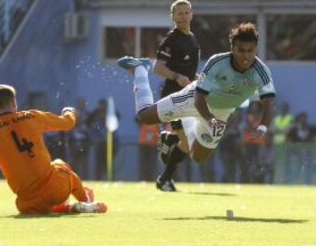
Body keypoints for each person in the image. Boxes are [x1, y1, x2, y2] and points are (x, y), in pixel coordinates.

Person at [117, 22, 276, 191]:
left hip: (221, 113)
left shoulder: (261, 71)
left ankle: (181, 128)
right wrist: (209, 119)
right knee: (145, 116)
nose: (245, 56)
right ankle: (140, 69)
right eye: (241, 50)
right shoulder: (217, 62)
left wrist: (264, 127)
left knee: (198, 157)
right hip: (194, 99)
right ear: (232, 48)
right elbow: (199, 97)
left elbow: (269, 103)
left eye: (250, 51)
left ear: (255, 50)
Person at [0, 84, 107, 215]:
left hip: (27, 203)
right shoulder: (32, 116)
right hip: (56, 189)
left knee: (41, 207)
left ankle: (70, 208)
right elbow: (67, 123)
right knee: (60, 164)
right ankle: (86, 200)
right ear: (14, 103)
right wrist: (69, 111)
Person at [119, 0, 200, 190]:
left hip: (187, 94)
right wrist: (177, 76)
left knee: (188, 144)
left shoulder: (192, 38)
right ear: (172, 17)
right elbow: (158, 67)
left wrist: (197, 79)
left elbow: (187, 71)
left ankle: (165, 171)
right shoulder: (172, 39)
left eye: (185, 12)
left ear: (191, 14)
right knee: (188, 143)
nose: (182, 16)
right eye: (178, 13)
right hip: (174, 95)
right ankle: (166, 158)